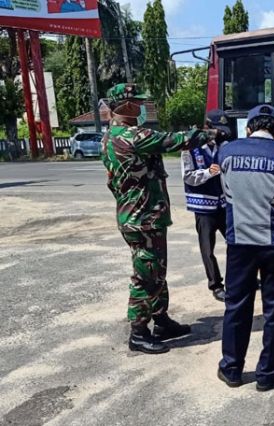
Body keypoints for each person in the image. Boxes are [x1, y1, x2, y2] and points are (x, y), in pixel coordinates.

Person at [101, 83, 216, 354]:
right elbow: (172, 140)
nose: (142, 107)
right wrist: (208, 134)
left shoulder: (110, 136)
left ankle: (161, 321)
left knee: (156, 270)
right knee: (146, 276)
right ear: (126, 106)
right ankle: (138, 332)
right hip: (142, 217)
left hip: (140, 215)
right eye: (138, 103)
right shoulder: (131, 136)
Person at [217, 104, 274, 391]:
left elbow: (227, 194)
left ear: (250, 128)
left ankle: (231, 368)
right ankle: (268, 371)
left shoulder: (227, 152)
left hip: (239, 242)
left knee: (236, 305)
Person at [181, 109, 231, 302]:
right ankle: (216, 285)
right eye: (215, 130)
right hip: (203, 206)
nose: (218, 134)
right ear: (206, 128)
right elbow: (188, 176)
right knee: (207, 249)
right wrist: (208, 173)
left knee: (235, 243)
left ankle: (240, 278)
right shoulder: (190, 148)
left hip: (224, 204)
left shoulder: (223, 146)